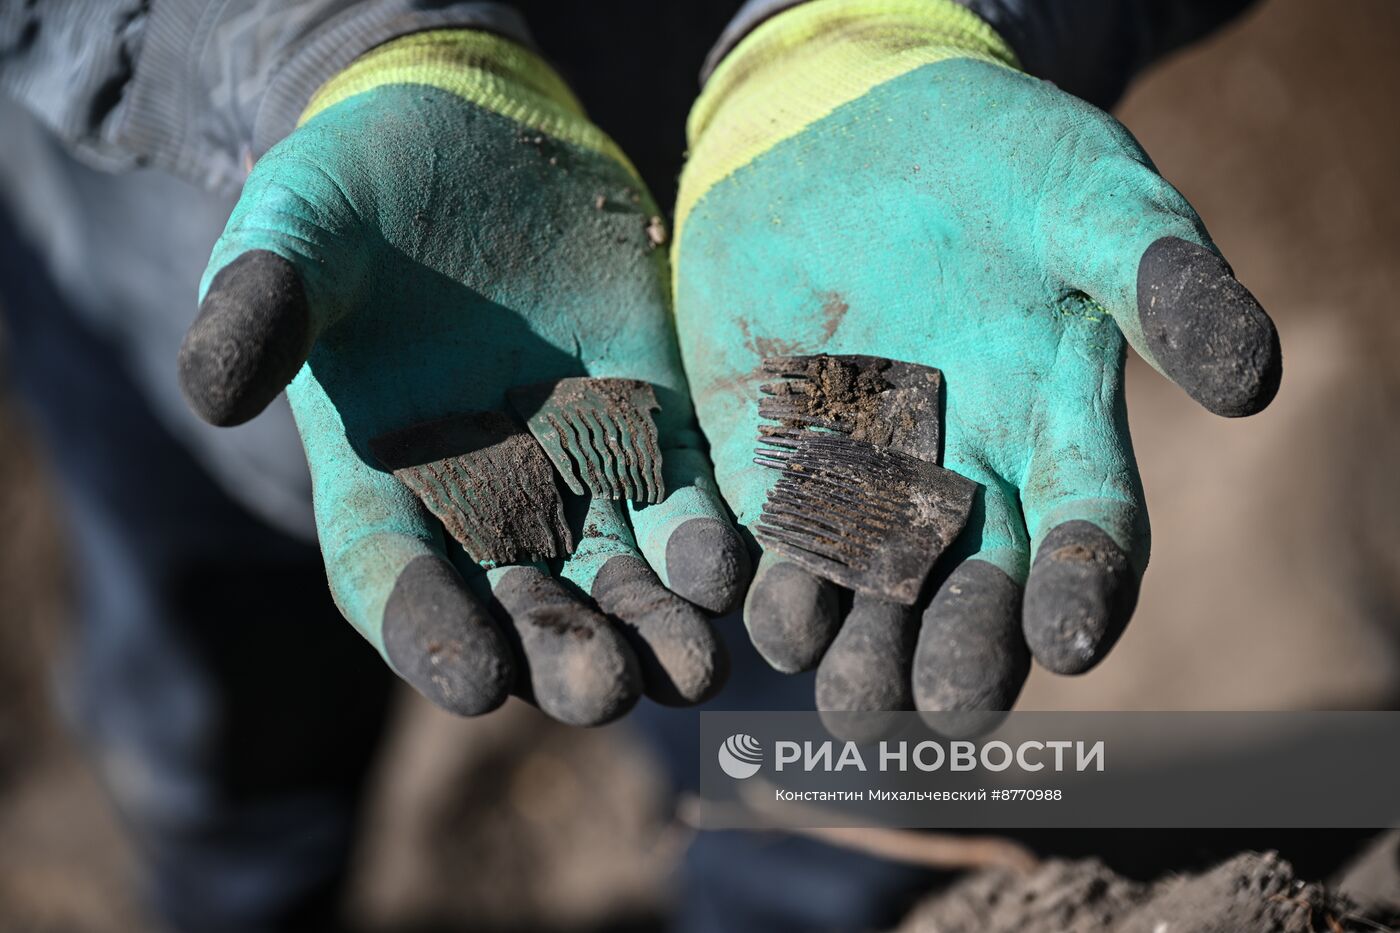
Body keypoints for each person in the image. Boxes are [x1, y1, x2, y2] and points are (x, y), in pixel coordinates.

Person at [0, 1, 1278, 929]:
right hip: (158, 264)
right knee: (215, 771)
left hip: (790, 346)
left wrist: (896, 27)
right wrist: (321, 40)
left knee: (817, 797)